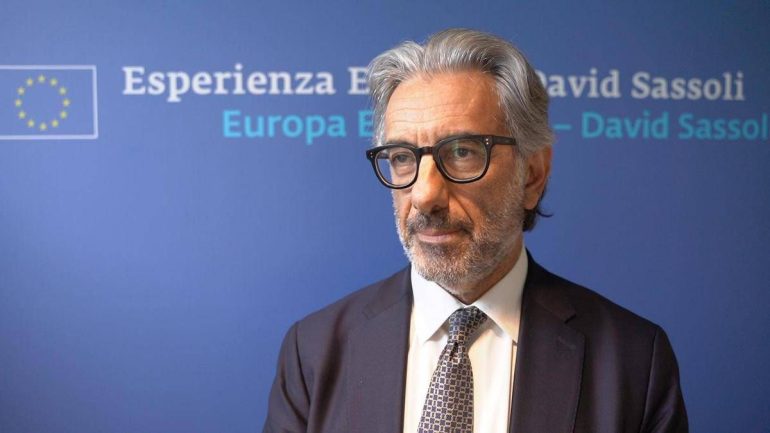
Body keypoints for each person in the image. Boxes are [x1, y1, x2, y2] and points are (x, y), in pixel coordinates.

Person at [263, 28, 688, 433]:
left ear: (533, 174)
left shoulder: (634, 361)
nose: (425, 195)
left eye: (462, 152)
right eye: (402, 157)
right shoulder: (313, 351)